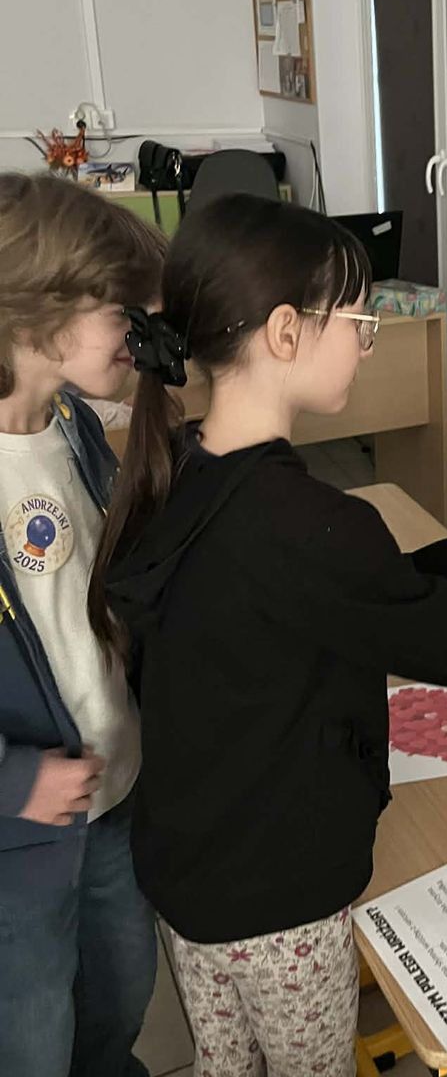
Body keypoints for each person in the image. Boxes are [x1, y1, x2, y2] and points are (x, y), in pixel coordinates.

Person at [90, 195, 447, 1077]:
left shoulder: (179, 467)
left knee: (228, 1065)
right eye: (360, 324)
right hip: (276, 904)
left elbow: (365, 597)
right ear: (286, 332)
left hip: (187, 872)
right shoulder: (309, 523)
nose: (368, 346)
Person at [0, 172, 166, 1077]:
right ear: (38, 313)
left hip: (115, 795)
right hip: (20, 837)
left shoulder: (72, 426)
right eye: (121, 314)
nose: (139, 334)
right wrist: (15, 779)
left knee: (121, 993)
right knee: (31, 1036)